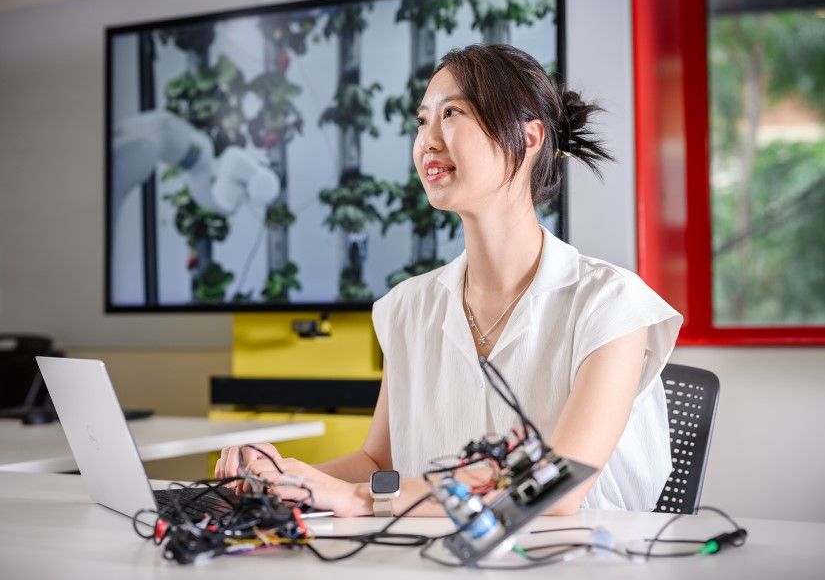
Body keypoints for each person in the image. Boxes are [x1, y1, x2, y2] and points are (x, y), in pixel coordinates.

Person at [215, 44, 682, 517]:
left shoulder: (612, 304)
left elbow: (555, 487)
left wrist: (359, 499)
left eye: (452, 113)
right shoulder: (407, 307)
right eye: (421, 121)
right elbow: (378, 461)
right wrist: (286, 477)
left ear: (531, 135)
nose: (427, 141)